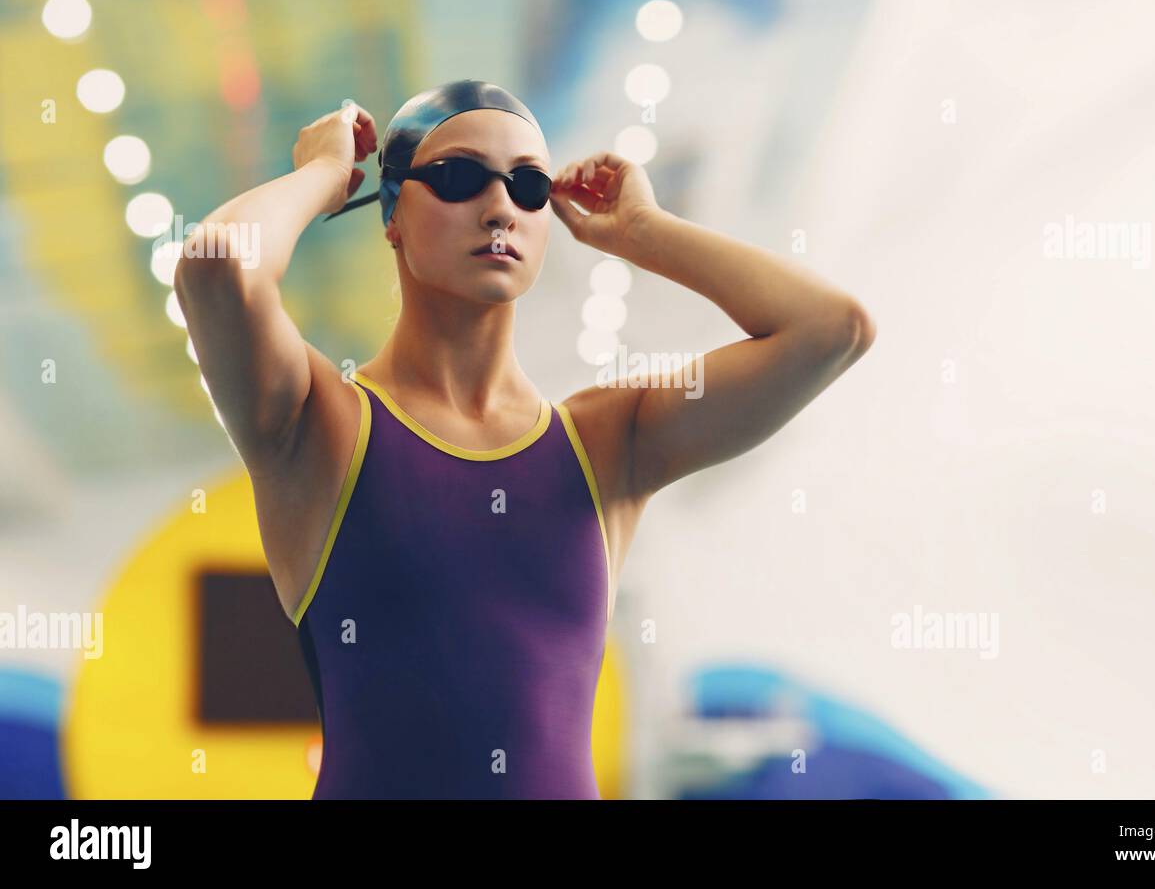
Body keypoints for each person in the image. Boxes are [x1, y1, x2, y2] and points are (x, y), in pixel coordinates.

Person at [174, 79, 875, 799]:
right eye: (457, 178)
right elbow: (218, 264)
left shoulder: (607, 444)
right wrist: (322, 174)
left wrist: (643, 232)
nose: (500, 206)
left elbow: (832, 330)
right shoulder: (322, 429)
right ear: (391, 215)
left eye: (529, 185)